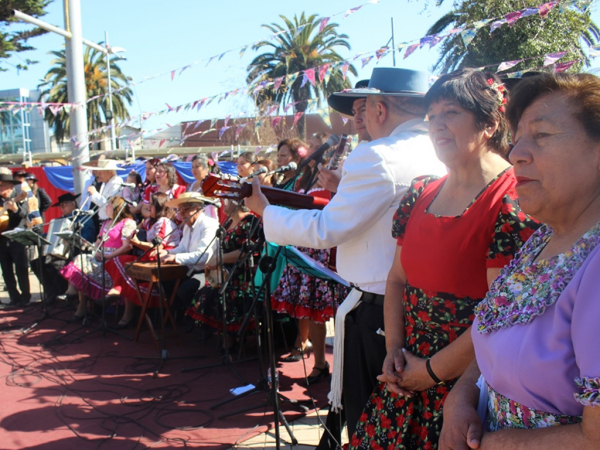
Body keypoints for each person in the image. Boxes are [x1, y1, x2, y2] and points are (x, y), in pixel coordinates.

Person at [246, 67, 448, 440]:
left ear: (380, 109)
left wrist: (265, 212)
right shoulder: (440, 148)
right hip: (428, 308)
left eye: (365, 108)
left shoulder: (377, 155)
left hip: (376, 309)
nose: (360, 118)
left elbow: (326, 230)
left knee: (367, 417)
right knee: (412, 424)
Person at [349, 69, 540, 449]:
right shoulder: (421, 190)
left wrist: (431, 373)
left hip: (467, 387)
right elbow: (397, 279)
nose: (436, 124)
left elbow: (500, 318)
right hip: (407, 376)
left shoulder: (511, 202)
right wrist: (394, 353)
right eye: (432, 115)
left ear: (489, 123)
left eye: (450, 112)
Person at [439, 72, 600, 450]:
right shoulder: (543, 238)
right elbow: (496, 335)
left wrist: (500, 443)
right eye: (518, 139)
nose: (515, 154)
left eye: (541, 135)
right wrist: (460, 396)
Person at [186, 198, 262, 349]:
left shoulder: (250, 221)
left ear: (236, 202)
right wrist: (213, 263)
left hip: (243, 276)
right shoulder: (227, 223)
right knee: (204, 293)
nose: (224, 204)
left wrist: (219, 260)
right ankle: (226, 336)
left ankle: (232, 338)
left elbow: (248, 252)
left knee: (220, 295)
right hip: (227, 274)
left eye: (227, 201)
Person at [106, 192, 181, 328]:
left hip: (163, 258)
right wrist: (128, 232)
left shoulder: (163, 221)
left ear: (159, 206)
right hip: (149, 255)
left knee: (126, 264)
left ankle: (121, 297)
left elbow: (157, 245)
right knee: (121, 261)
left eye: (152, 204)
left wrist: (135, 241)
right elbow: (135, 230)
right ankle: (118, 290)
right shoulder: (150, 221)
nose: (148, 206)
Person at [60, 196, 136, 322]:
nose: (106, 207)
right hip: (102, 257)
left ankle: (72, 296)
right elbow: (98, 242)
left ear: (116, 207)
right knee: (81, 259)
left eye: (108, 205)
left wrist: (108, 256)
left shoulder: (127, 222)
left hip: (115, 260)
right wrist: (96, 251)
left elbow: (127, 247)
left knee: (83, 263)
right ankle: (77, 301)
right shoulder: (106, 223)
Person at [155, 192, 220, 312]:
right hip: (191, 270)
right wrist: (167, 253)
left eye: (185, 210)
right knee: (164, 280)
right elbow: (183, 248)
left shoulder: (209, 225)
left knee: (185, 289)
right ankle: (177, 318)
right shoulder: (187, 226)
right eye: (180, 210)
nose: (181, 214)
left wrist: (175, 257)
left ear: (197, 209)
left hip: (208, 272)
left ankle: (194, 319)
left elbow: (203, 256)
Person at [34, 193, 97, 304]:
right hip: (58, 253)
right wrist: (40, 237)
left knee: (56, 265)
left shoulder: (84, 218)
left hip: (75, 253)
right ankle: (52, 293)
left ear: (73, 203)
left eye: (64, 205)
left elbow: (89, 237)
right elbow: (50, 234)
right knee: (37, 263)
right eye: (60, 206)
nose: (62, 208)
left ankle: (67, 295)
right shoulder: (59, 220)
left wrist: (71, 237)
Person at [319, 79, 371, 193]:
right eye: (354, 113)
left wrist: (340, 187)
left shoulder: (382, 156)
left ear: (381, 110)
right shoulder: (360, 154)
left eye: (363, 110)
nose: (356, 119)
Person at [0, 173, 30, 306]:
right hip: (1, 239)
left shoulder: (20, 197)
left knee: (21, 268)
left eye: (2, 186)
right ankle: (14, 297)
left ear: (11, 186)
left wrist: (15, 208)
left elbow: (24, 214)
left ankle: (25, 297)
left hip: (17, 238)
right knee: (6, 269)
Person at [187, 154, 221, 220]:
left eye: (197, 166)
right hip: (191, 220)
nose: (194, 170)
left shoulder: (213, 185)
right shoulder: (190, 186)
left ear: (206, 169)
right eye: (193, 167)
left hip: (207, 219)